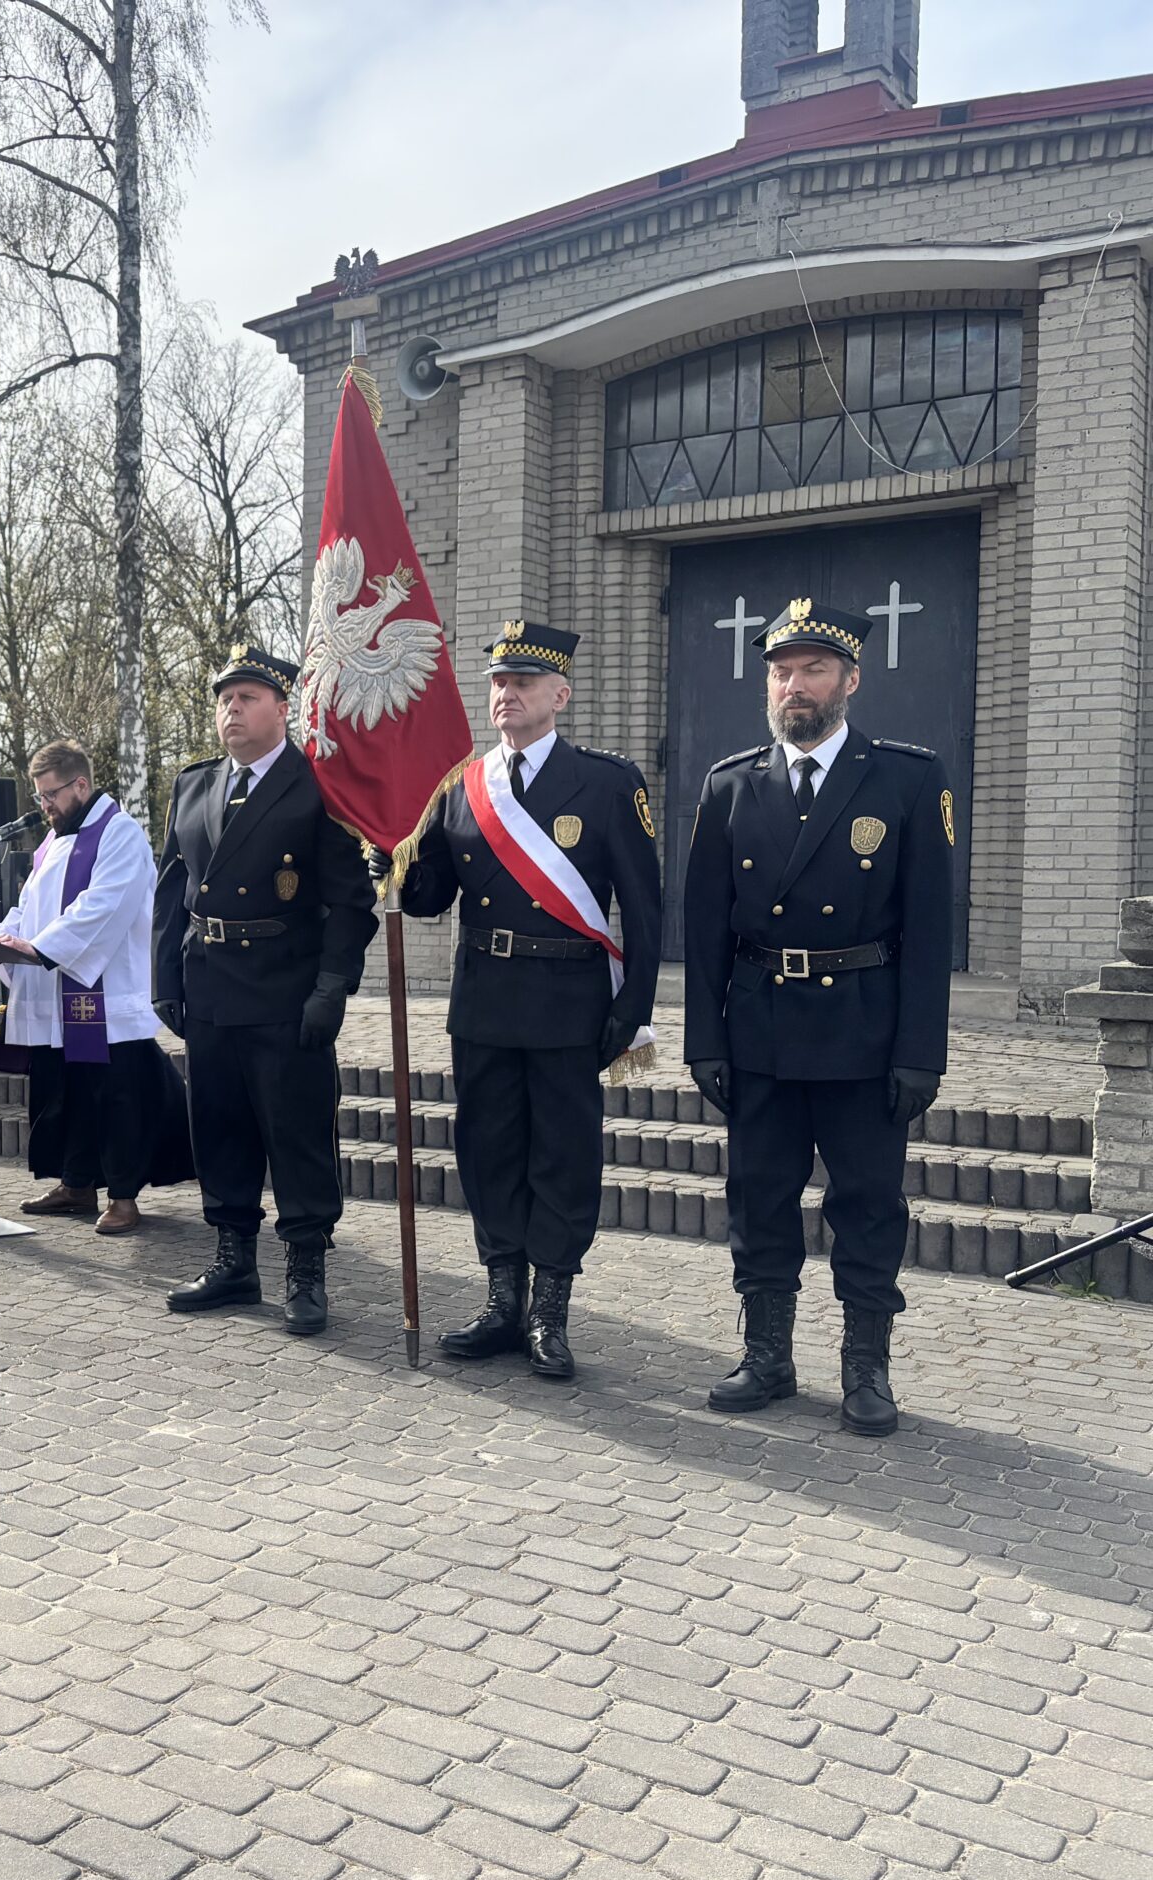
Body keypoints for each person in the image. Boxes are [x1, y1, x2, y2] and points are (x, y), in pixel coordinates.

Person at [682, 598, 953, 1437]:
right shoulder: (731, 784)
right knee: (759, 1198)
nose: (794, 685)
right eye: (780, 671)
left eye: (813, 669)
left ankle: (865, 1368)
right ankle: (767, 1355)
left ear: (850, 681)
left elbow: (931, 929)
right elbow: (703, 929)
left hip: (864, 1031)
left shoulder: (906, 779)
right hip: (760, 1028)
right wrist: (704, 1039)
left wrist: (921, 1051)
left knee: (867, 1204)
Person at [373, 620, 660, 1379]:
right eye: (499, 682)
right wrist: (396, 856)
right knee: (490, 1152)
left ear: (559, 695)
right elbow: (433, 896)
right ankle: (503, 1302)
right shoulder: (462, 787)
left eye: (524, 682)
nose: (507, 693)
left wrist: (631, 1009)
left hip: (569, 1002)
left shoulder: (608, 782)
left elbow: (644, 906)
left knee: (563, 1158)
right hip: (486, 1000)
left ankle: (549, 1314)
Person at [154, 643, 381, 1334]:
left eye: (248, 697)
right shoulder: (195, 785)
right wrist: (165, 978)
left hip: (285, 988)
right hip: (210, 984)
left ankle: (306, 1270)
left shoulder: (317, 785)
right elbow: (171, 889)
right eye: (225, 698)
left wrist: (333, 988)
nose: (232, 709)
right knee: (220, 1128)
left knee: (297, 1133)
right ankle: (234, 1261)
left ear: (283, 708)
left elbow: (351, 902)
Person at [0, 740, 192, 1235]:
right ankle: (76, 1185)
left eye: (50, 795)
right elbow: (27, 907)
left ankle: (123, 1197)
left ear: (81, 784)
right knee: (68, 1095)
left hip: (105, 997)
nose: (44, 805)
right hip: (55, 996)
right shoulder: (52, 843)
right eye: (39, 797)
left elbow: (104, 905)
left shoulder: (120, 834)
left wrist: (40, 948)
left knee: (115, 1099)